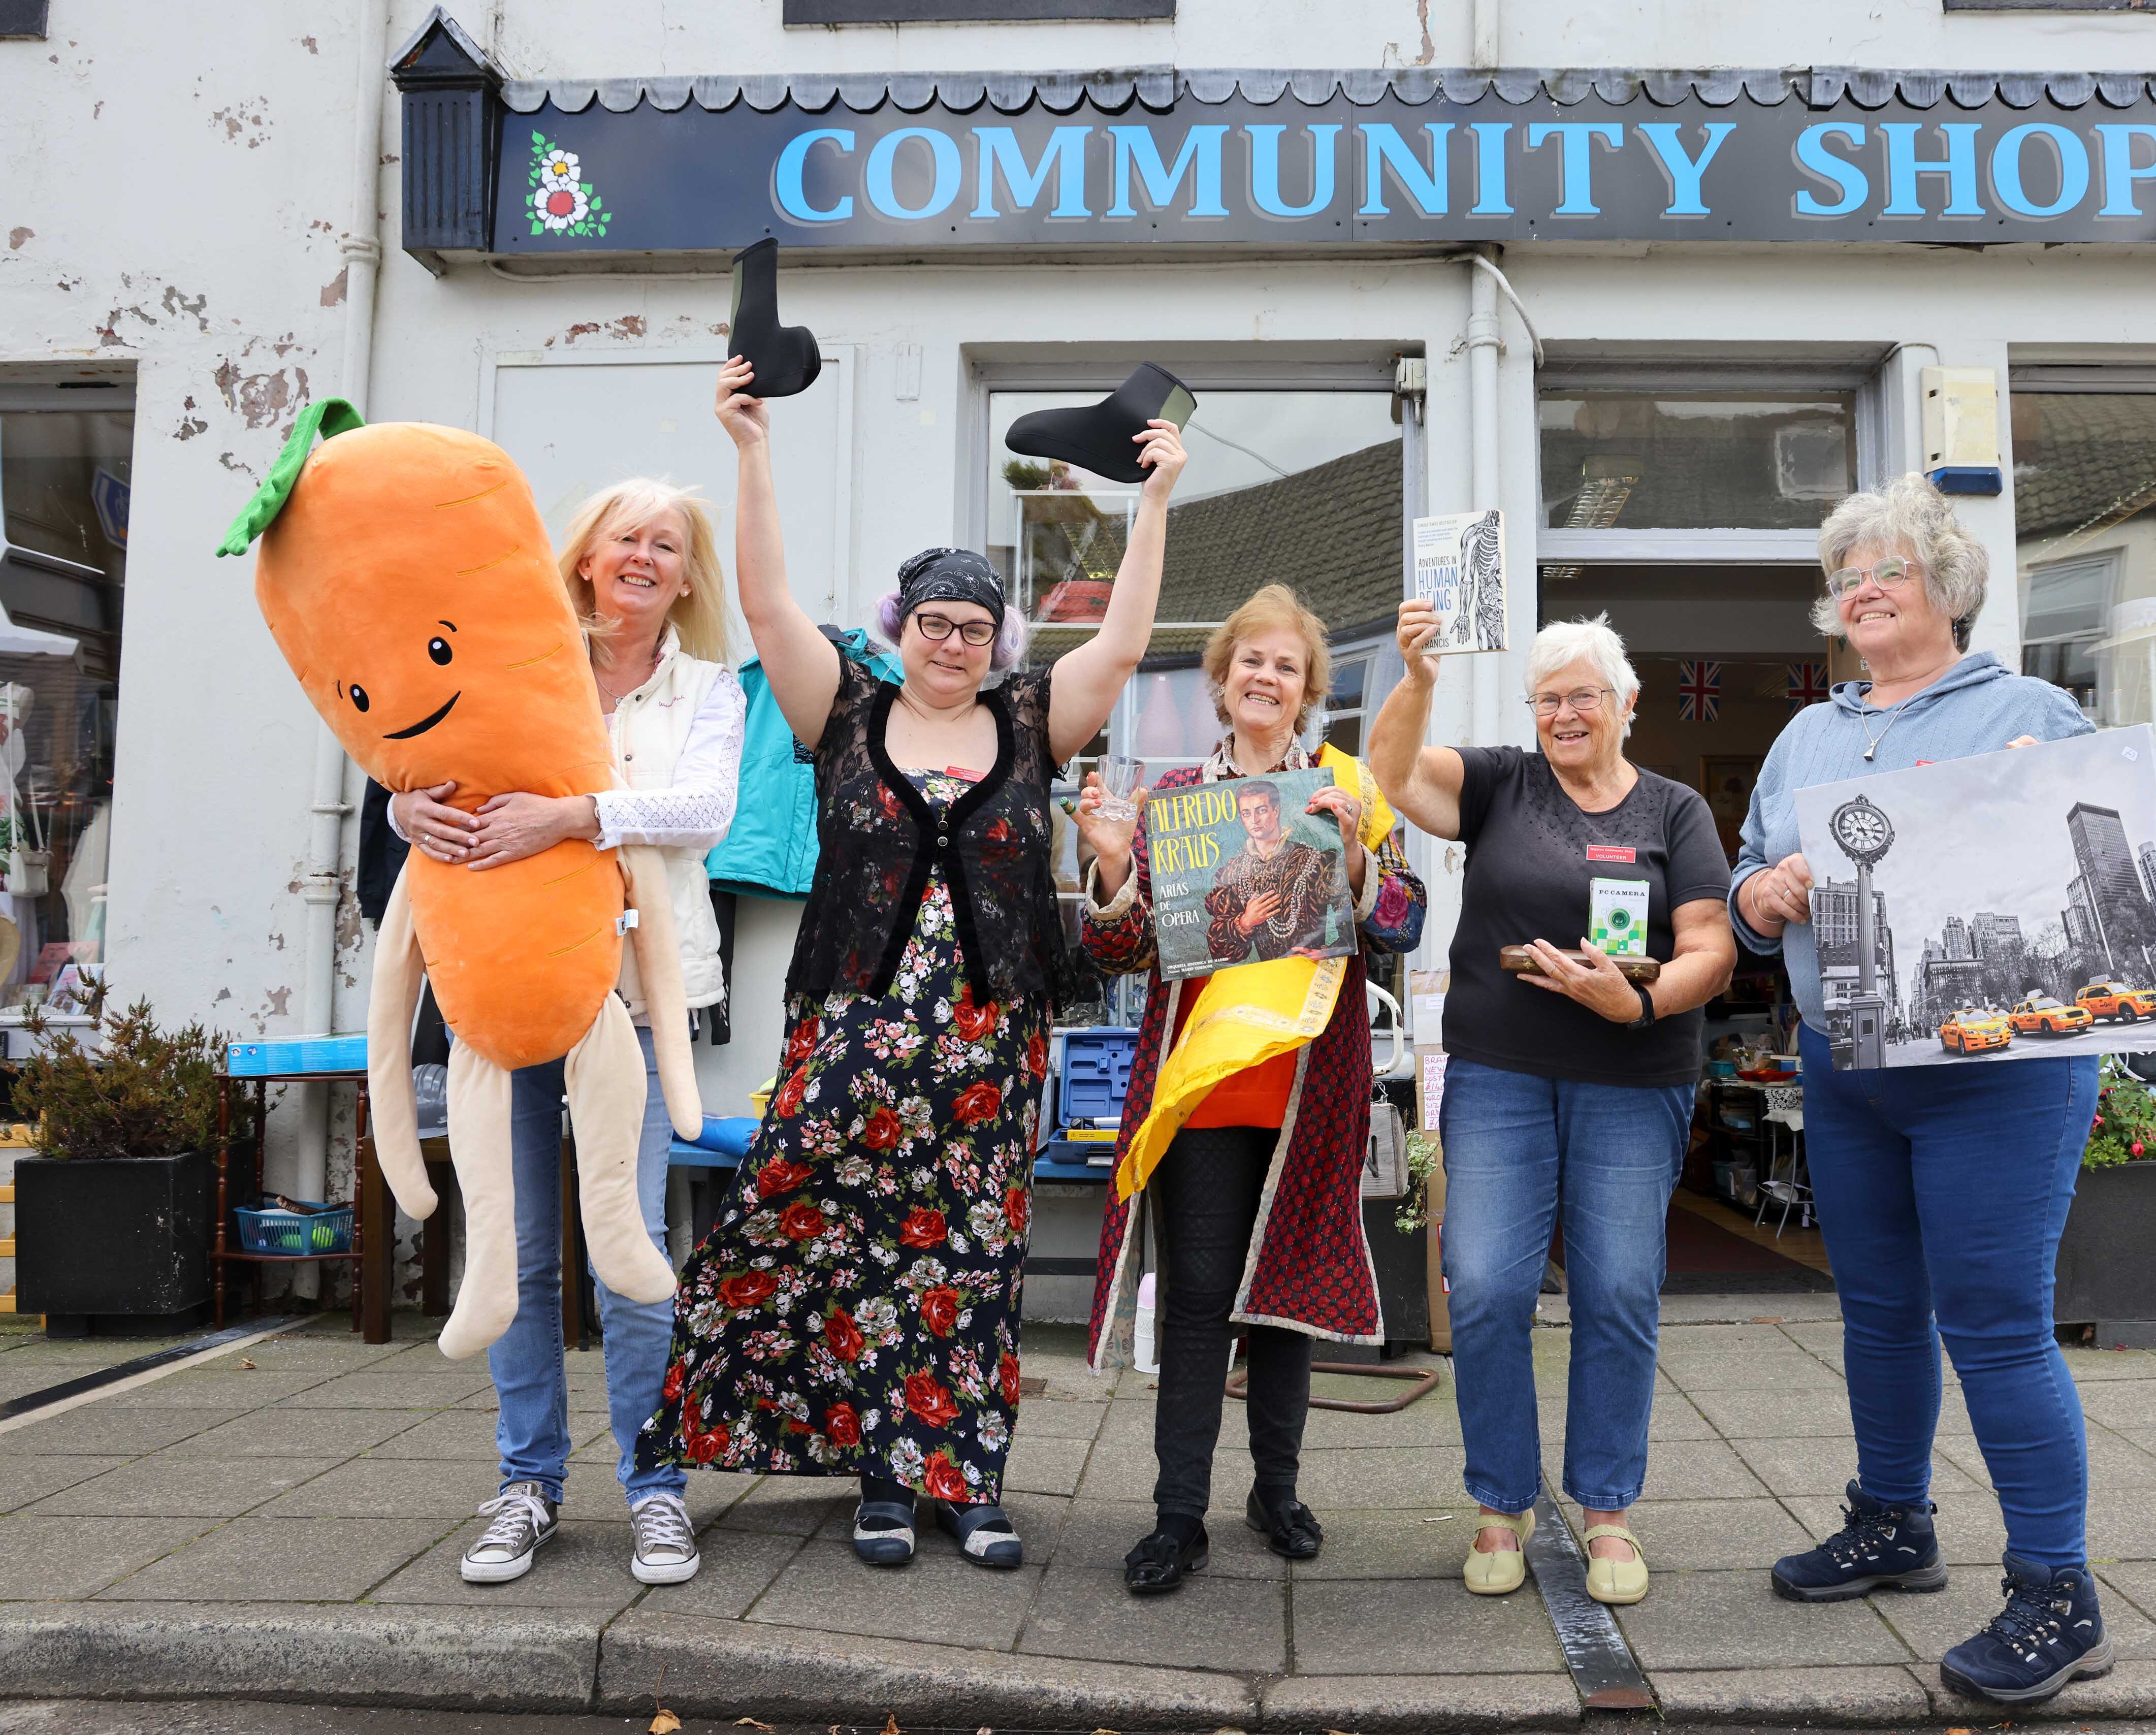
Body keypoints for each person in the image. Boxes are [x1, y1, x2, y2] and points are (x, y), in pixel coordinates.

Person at [630, 357, 1184, 1570]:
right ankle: (883, 1480)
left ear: (999, 642)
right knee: (852, 1244)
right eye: (934, 622)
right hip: (853, 1037)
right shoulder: (844, 716)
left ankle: (969, 1482)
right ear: (900, 628)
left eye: (975, 628)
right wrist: (753, 452)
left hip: (989, 1042)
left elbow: (1130, 639)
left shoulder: (1033, 723)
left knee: (974, 1255)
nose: (953, 642)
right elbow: (769, 607)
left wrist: (1151, 507)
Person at [1731, 471, 2106, 1707]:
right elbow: (1741, 881)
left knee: (1994, 1323)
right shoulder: (1806, 736)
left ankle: (2058, 1589)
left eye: (1889, 568)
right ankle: (1894, 1522)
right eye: (1848, 576)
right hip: (1849, 1065)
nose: (1865, 589)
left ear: (1945, 587)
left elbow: (2105, 869)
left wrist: (2019, 802)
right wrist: (1759, 897)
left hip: (1996, 1073)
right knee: (1878, 1312)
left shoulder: (2032, 712)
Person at [391, 477, 745, 1588]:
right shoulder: (510, 659)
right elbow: (413, 740)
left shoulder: (708, 688)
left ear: (686, 579)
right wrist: (402, 803)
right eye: (623, 538)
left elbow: (706, 812)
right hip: (502, 990)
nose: (643, 556)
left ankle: (654, 1489)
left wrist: (574, 816)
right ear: (586, 557)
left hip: (630, 1002)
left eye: (667, 545)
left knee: (634, 1242)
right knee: (518, 1249)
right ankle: (527, 1484)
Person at [1367, 606, 1735, 1608]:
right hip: (1502, 1070)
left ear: (1624, 705)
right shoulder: (1499, 783)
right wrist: (1416, 677)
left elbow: (1711, 942)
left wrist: (1644, 996)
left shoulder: (1672, 812)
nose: (1563, 713)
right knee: (1484, 1284)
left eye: (1582, 695)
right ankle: (1501, 1501)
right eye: (1547, 698)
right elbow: (1393, 775)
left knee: (1616, 1288)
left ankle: (1606, 1508)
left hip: (1634, 1071)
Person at [1075, 583, 1426, 1594]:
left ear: (1309, 688)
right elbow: (1117, 949)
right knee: (1196, 1300)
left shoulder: (1346, 788)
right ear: (1222, 683)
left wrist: (1358, 854)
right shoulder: (1177, 800)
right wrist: (1108, 871)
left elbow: (1399, 920)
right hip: (1201, 1092)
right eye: (1249, 662)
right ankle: (1176, 1515)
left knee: (1283, 1301)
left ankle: (1277, 1490)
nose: (1265, 677)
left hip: (1310, 1085)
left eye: (1286, 665)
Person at [1203, 778, 1341, 966]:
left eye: (1261, 810)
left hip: (1311, 977)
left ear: (1276, 811)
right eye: (1246, 813)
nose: (1254, 820)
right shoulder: (1234, 872)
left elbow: (1353, 929)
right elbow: (1221, 953)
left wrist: (1328, 953)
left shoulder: (1314, 861)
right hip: (1262, 983)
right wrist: (1244, 923)